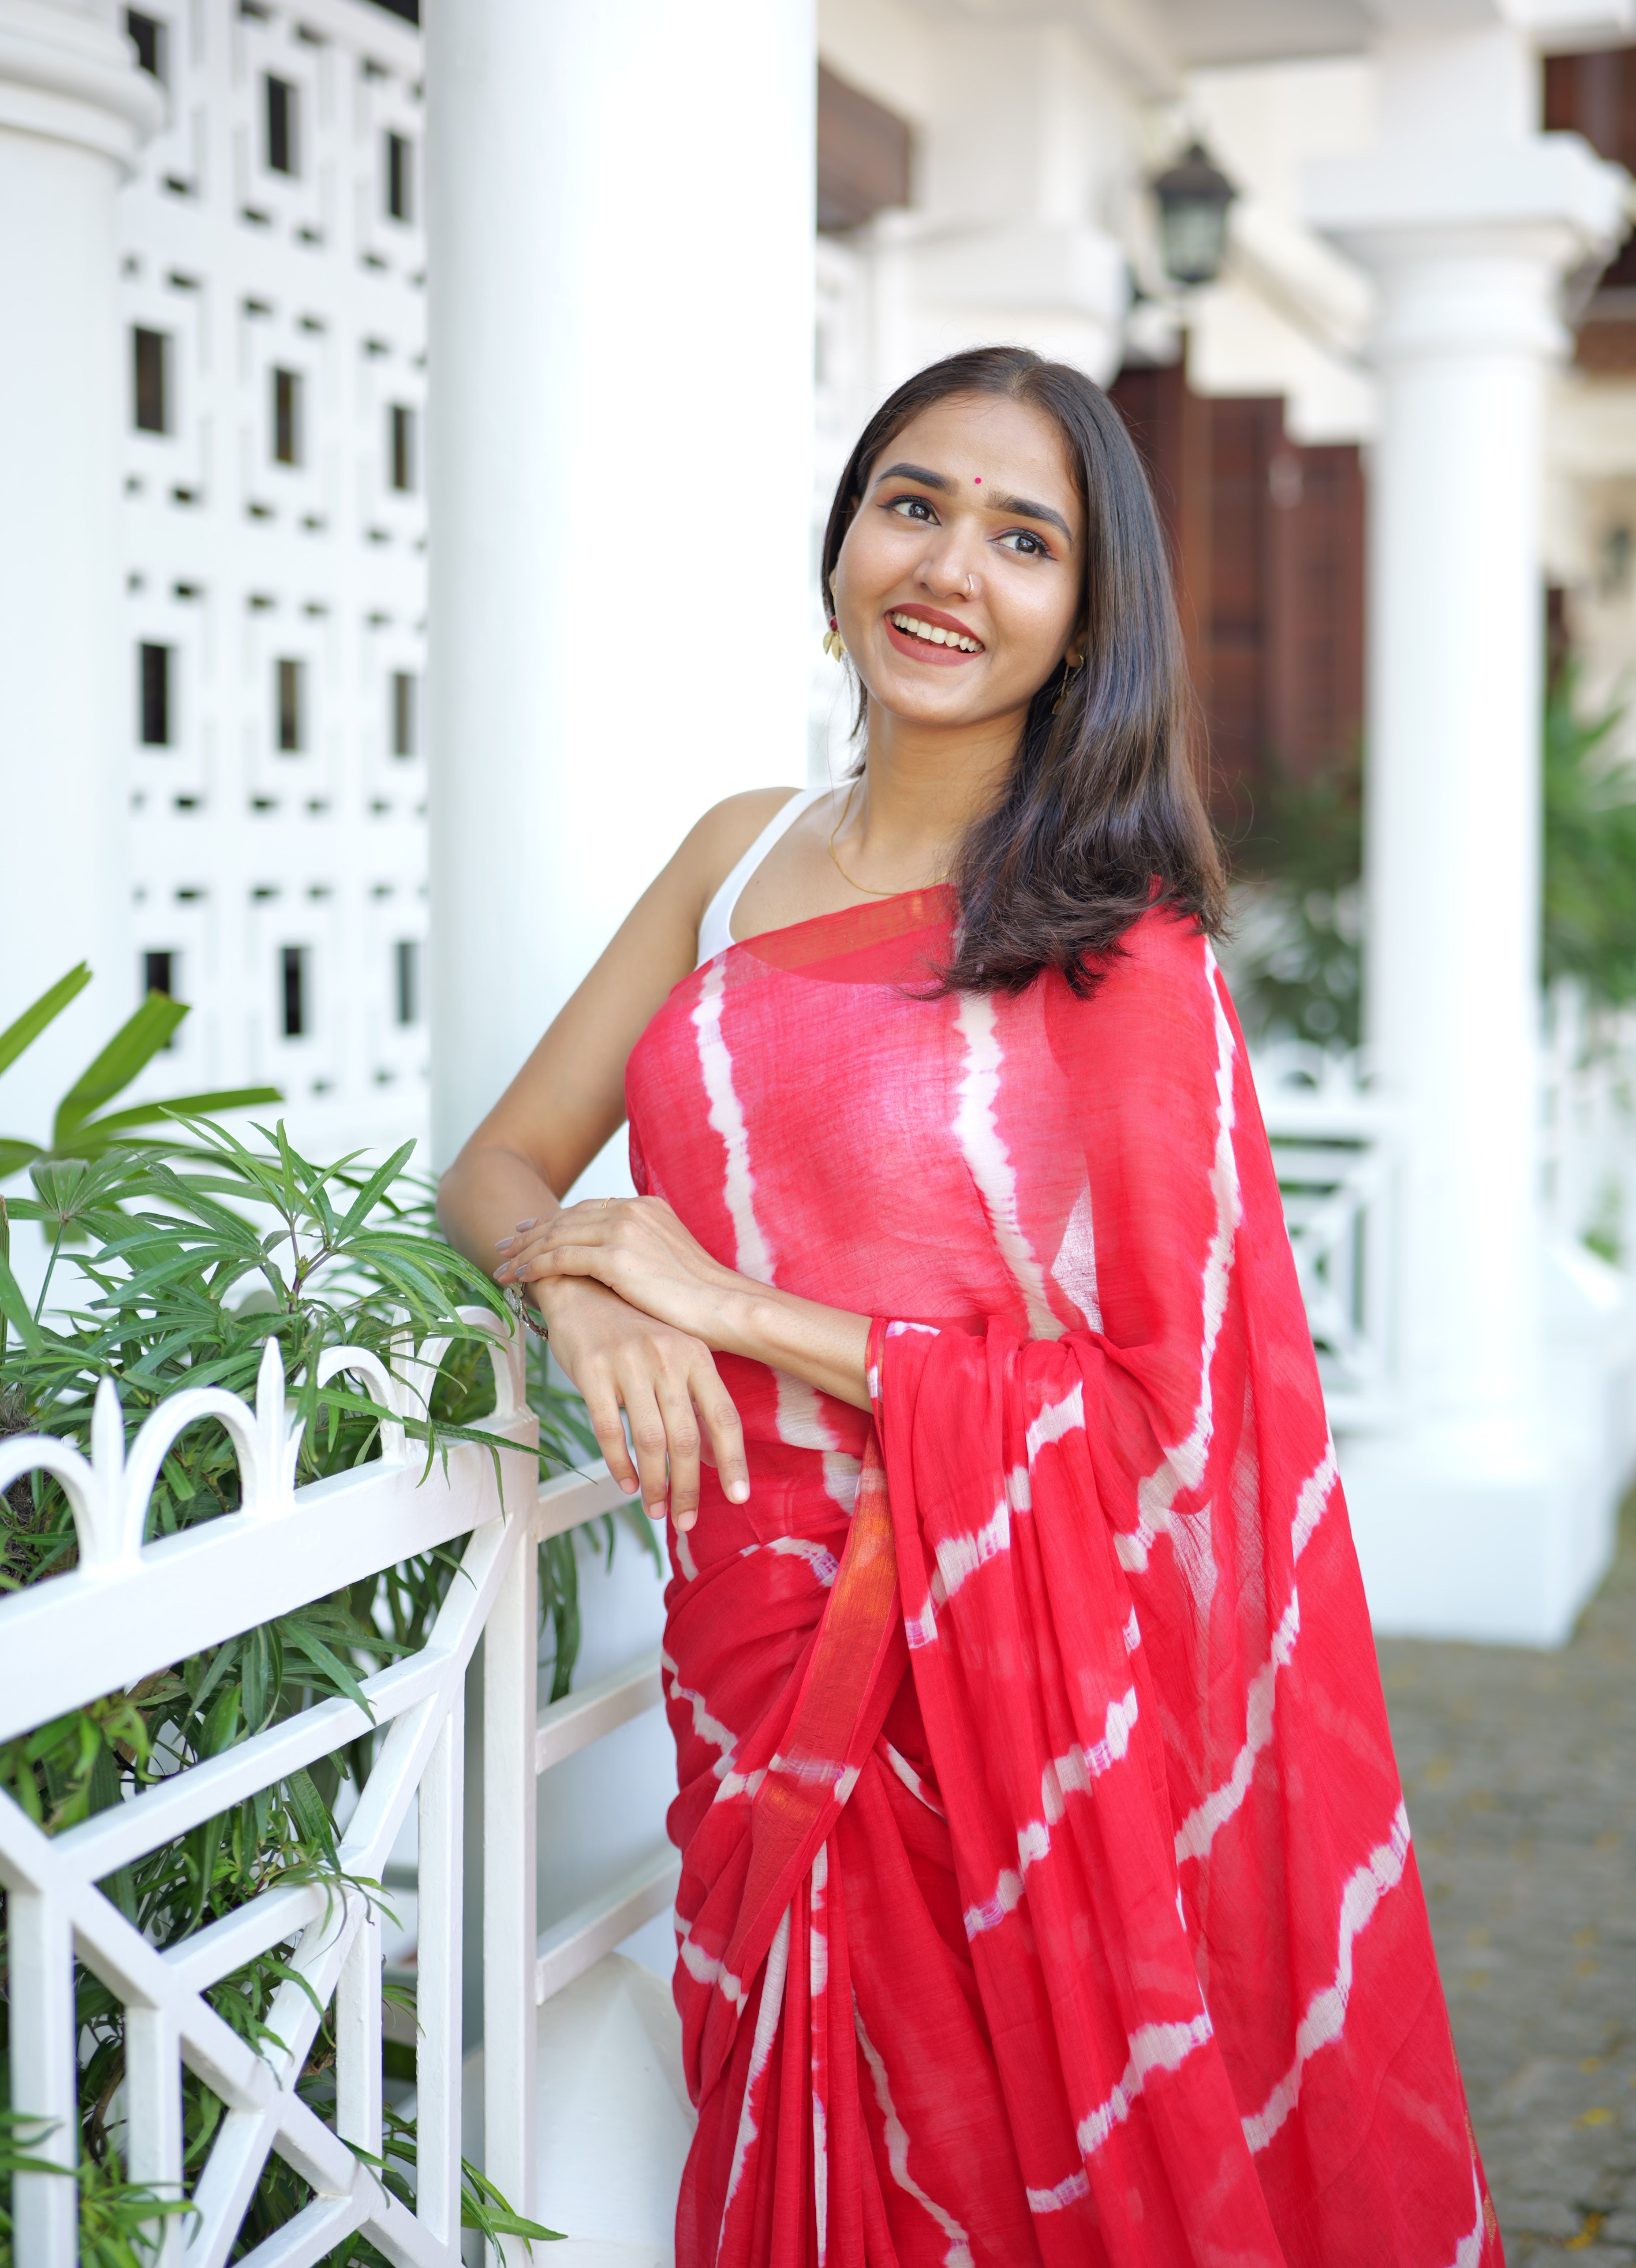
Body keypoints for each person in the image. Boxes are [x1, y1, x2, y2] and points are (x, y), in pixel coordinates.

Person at [438, 345, 1499, 2267]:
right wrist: (585, 1295)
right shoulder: (735, 851)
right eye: (912, 504)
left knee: (1005, 2178)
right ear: (844, 537)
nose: (947, 569)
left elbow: (1156, 1409)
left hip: (984, 1683)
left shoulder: (1115, 946)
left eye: (1025, 539)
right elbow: (499, 1165)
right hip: (741, 1638)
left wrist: (728, 1305)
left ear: (1091, 620)